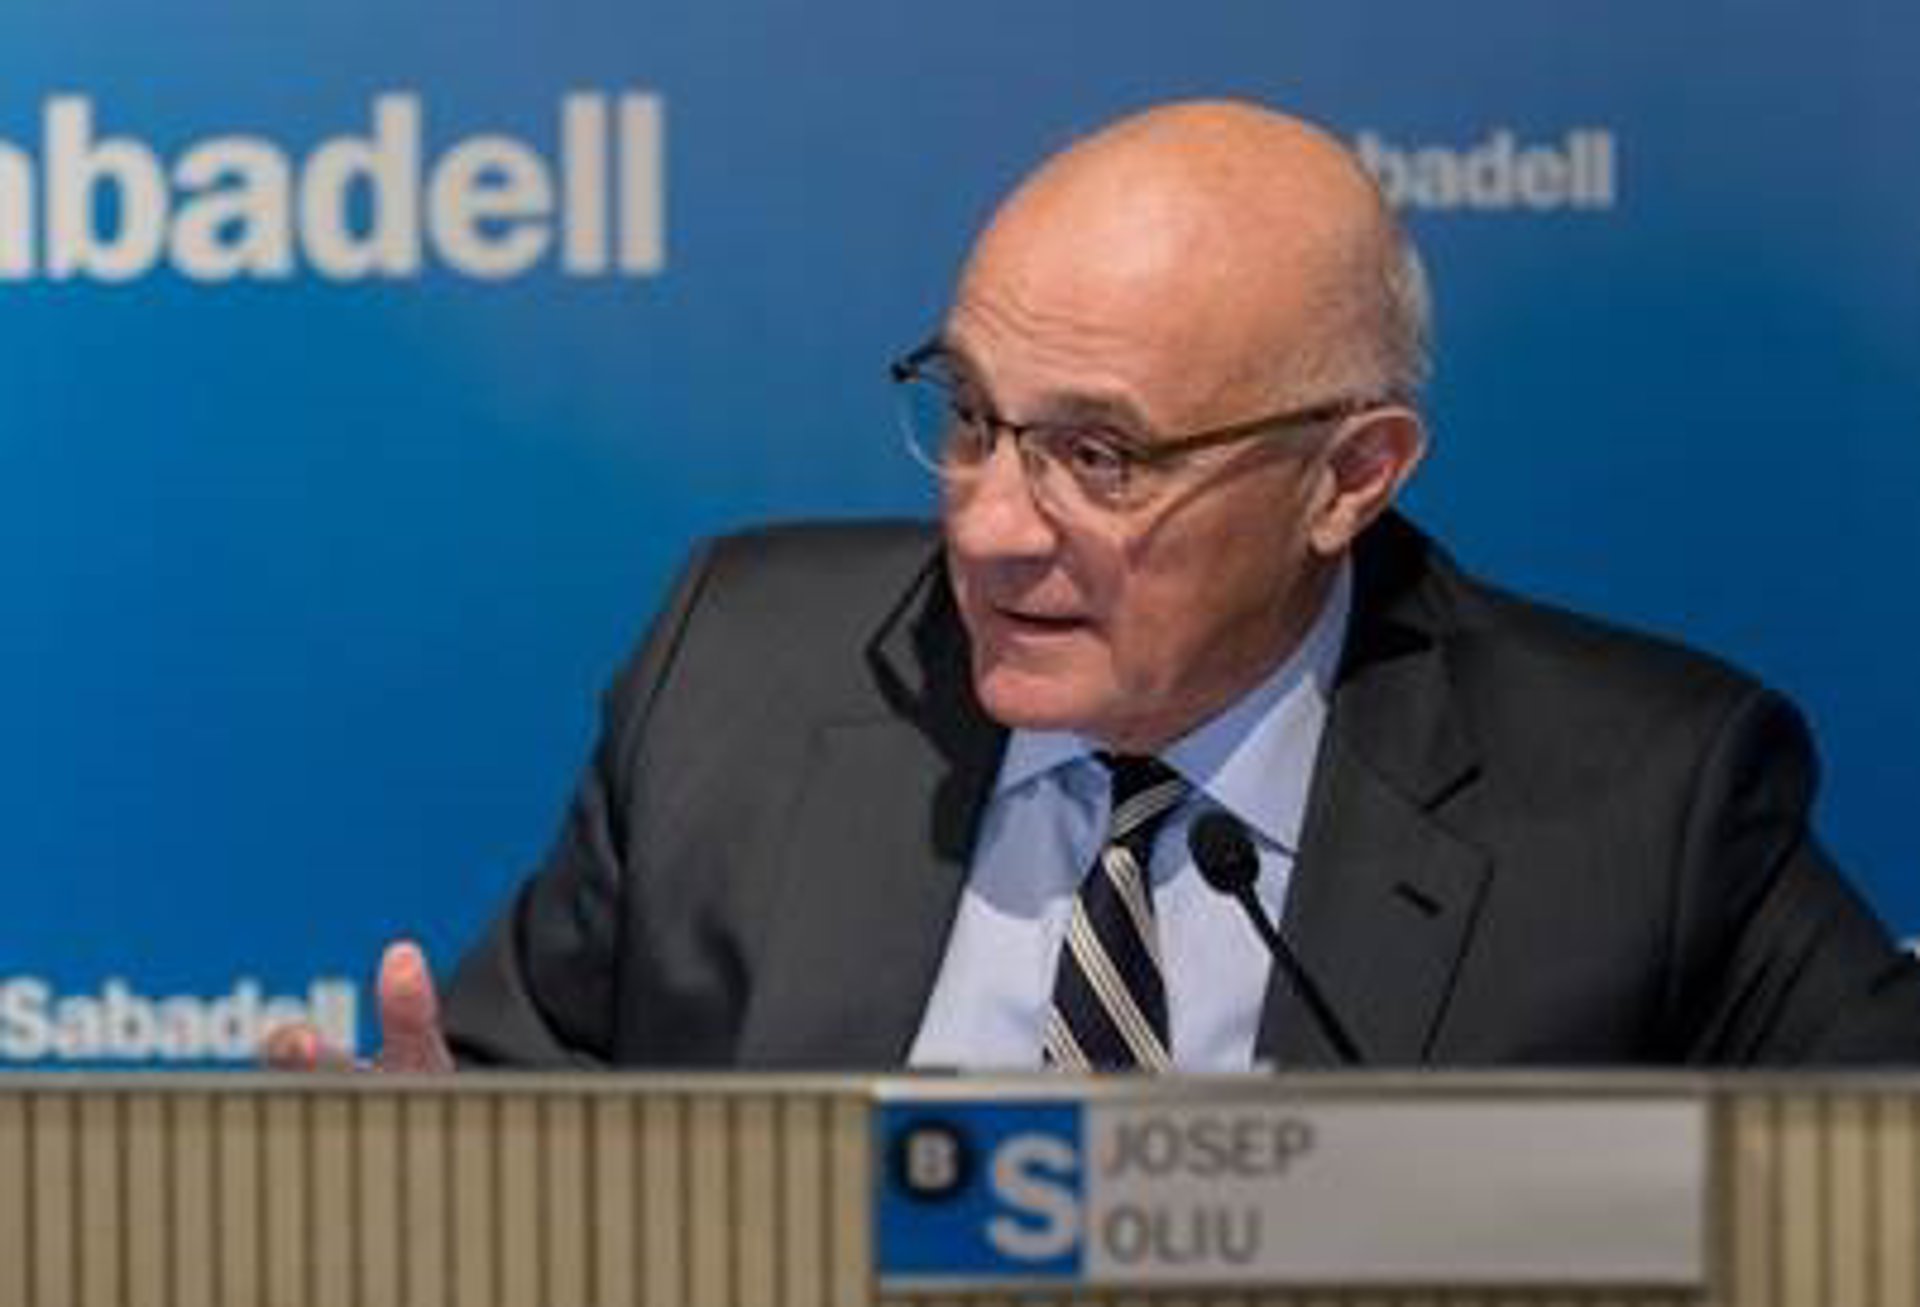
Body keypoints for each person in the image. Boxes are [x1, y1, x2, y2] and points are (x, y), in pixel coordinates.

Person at [269, 100, 1920, 1074]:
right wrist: (430, 1196)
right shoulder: (742, 675)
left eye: (1100, 457)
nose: (991, 527)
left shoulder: (1645, 799)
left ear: (1349, 478)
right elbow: (507, 1115)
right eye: (971, 419)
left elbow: (1869, 1192)